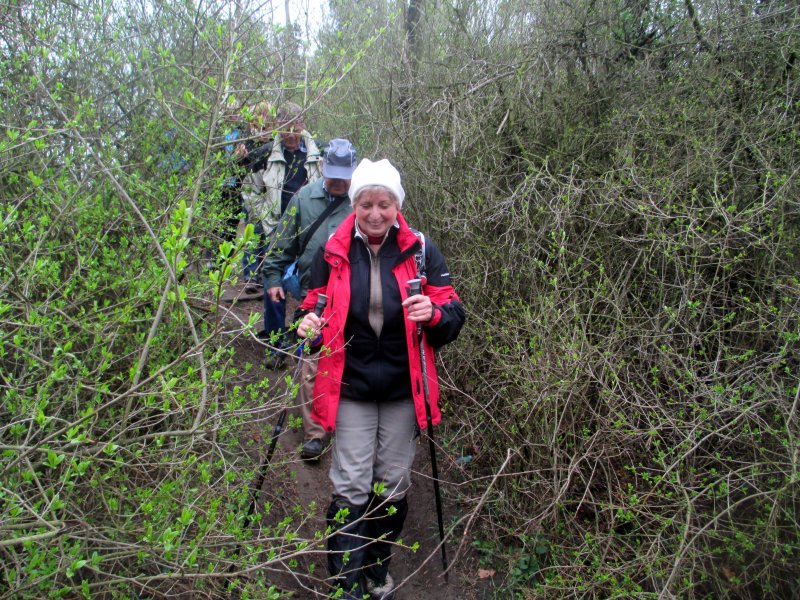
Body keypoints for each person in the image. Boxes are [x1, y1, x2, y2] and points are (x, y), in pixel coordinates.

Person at [296, 158, 465, 599]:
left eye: (384, 204)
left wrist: (435, 315)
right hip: (349, 385)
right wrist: (307, 324)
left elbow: (453, 313)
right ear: (354, 204)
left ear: (397, 205)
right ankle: (346, 584)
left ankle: (376, 569)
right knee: (350, 484)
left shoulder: (422, 251)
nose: (374, 213)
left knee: (391, 484)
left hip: (402, 390)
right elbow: (311, 306)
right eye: (366, 203)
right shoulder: (333, 250)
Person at [261, 138, 358, 458]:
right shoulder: (304, 197)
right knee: (312, 364)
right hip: (312, 295)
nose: (338, 181)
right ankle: (315, 432)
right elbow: (282, 241)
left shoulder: (362, 201)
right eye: (333, 174)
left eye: (344, 175)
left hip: (355, 296)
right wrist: (273, 277)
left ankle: (352, 428)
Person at [243, 102, 323, 329]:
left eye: (295, 127)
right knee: (273, 285)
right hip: (277, 232)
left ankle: (307, 334)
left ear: (303, 124)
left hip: (310, 232)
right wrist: (266, 219)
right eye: (285, 127)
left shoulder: (319, 153)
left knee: (313, 287)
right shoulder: (264, 154)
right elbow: (250, 190)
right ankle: (275, 342)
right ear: (277, 126)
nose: (290, 134)